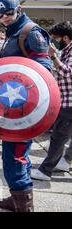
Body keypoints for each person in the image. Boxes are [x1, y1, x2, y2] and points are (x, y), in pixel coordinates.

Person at [0, 0, 52, 212]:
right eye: (0, 14)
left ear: (18, 8)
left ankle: (24, 205)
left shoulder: (31, 33)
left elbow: (44, 70)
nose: (4, 17)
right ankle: (16, 198)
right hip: (12, 106)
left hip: (25, 108)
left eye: (8, 12)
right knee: (13, 155)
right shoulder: (13, 32)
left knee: (15, 157)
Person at [31, 21, 72, 180]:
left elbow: (68, 73)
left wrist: (53, 56)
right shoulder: (66, 51)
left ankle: (45, 171)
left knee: (58, 138)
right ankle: (63, 161)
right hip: (65, 101)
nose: (53, 42)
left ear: (66, 38)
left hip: (69, 104)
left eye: (55, 38)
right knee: (60, 137)